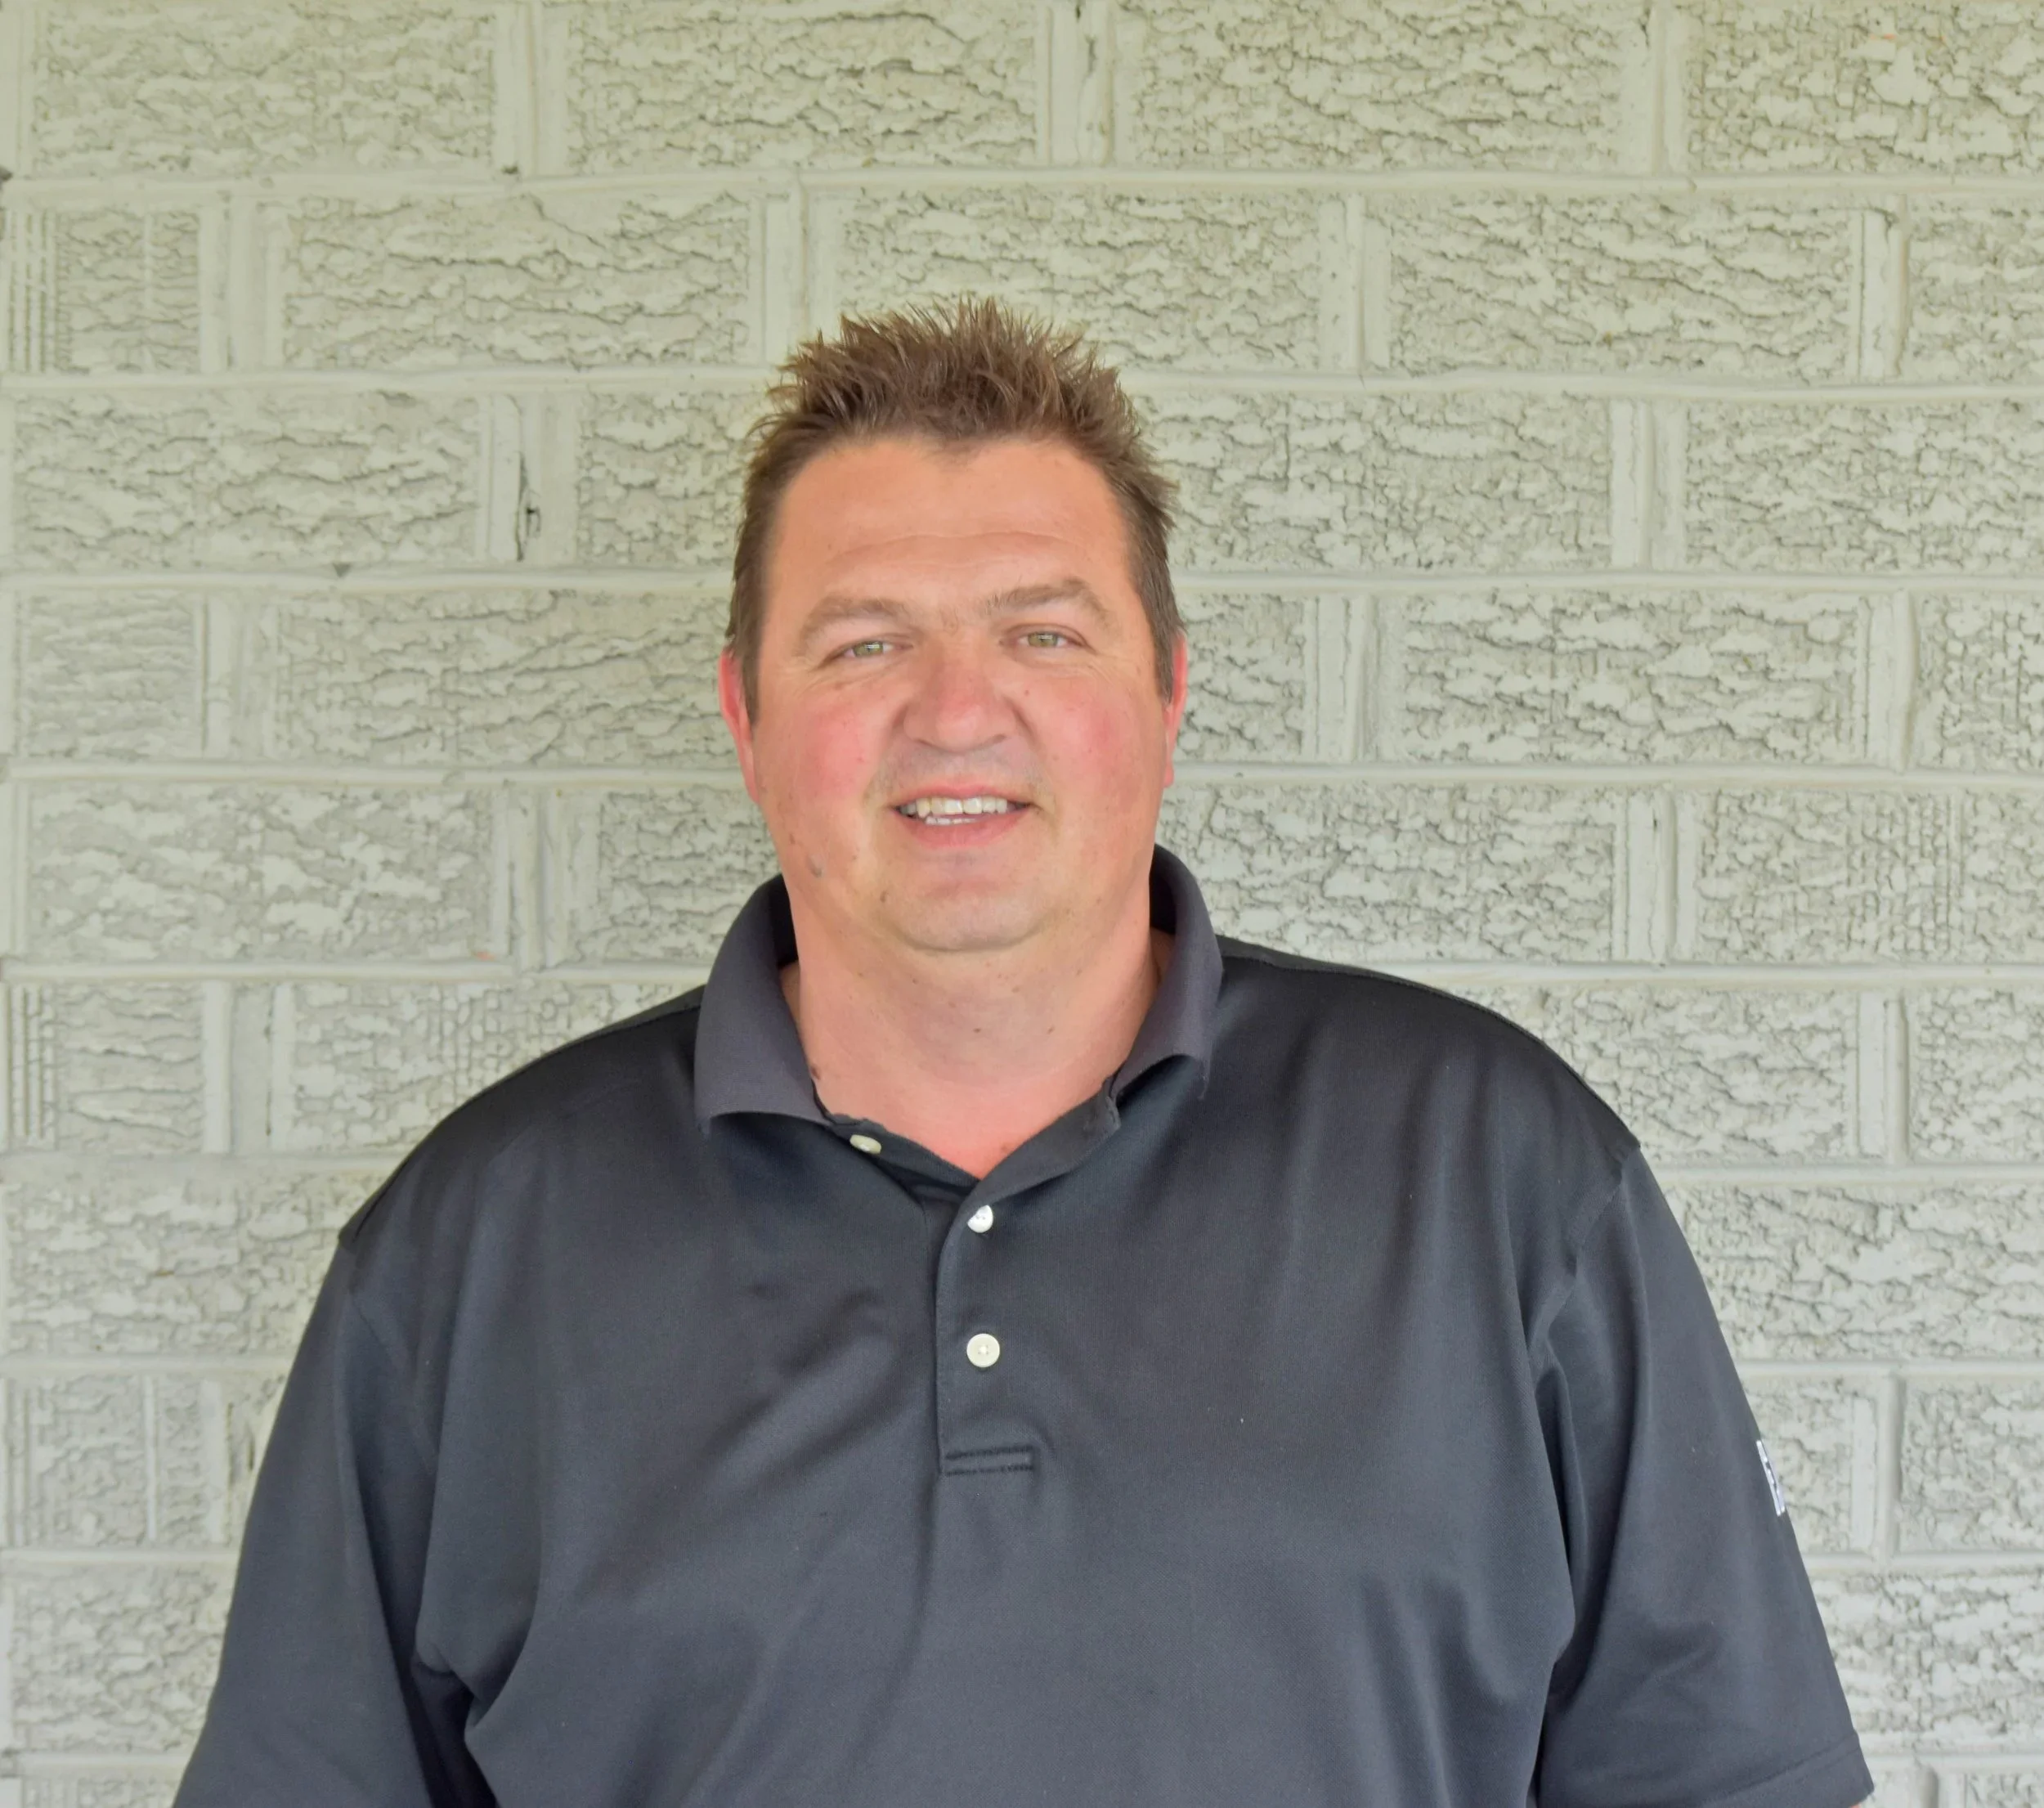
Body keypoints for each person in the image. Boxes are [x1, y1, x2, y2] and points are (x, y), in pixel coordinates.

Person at [176, 298, 1871, 1808]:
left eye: (1043, 631)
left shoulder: (1496, 1176)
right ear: (745, 718)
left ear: (1167, 695)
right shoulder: (471, 1251)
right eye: (863, 641)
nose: (955, 707)